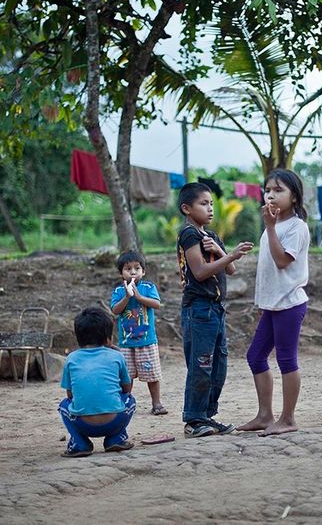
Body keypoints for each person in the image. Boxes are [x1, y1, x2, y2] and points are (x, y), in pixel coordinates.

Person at [176, 182, 254, 438]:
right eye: (203, 204)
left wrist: (222, 251)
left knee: (219, 366)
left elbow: (229, 270)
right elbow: (199, 272)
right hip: (198, 310)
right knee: (202, 365)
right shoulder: (189, 234)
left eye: (211, 203)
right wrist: (230, 255)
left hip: (216, 310)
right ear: (187, 208)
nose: (210, 208)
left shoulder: (210, 236)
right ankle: (194, 419)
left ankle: (206, 416)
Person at [237, 169, 310, 437]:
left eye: (279, 190)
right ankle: (265, 414)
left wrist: (268, 227)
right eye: (268, 190)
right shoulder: (275, 225)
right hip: (273, 304)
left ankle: (288, 418)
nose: (271, 195)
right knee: (255, 356)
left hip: (290, 302)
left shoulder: (296, 227)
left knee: (286, 359)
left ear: (294, 197)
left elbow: (282, 261)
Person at [58, 307, 136, 457]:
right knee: (130, 400)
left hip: (83, 424)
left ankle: (80, 443)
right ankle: (116, 438)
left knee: (64, 406)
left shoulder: (71, 359)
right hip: (114, 421)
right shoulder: (117, 356)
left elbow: (70, 395)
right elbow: (127, 389)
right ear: (108, 338)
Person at [110, 250, 167, 415]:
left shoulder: (149, 287)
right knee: (127, 377)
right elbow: (115, 310)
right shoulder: (118, 291)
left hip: (146, 341)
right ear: (121, 273)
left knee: (152, 374)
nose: (133, 272)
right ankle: (126, 402)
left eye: (137, 268)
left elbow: (156, 304)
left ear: (144, 271)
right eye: (128, 269)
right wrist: (127, 297)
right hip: (126, 343)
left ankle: (156, 403)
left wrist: (139, 297)